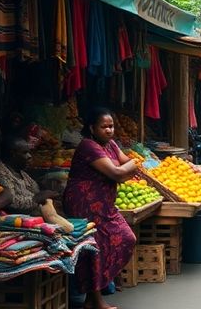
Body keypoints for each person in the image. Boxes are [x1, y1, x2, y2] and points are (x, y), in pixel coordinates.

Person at [64, 107, 138, 309]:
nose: (109, 130)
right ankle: (95, 300)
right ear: (92, 128)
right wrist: (131, 166)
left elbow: (125, 165)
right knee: (94, 247)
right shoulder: (88, 146)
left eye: (111, 126)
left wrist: (128, 166)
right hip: (85, 203)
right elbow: (118, 172)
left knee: (126, 238)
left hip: (104, 204)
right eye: (104, 127)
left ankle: (92, 299)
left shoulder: (111, 145)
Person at [0, 135, 61, 216]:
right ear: (13, 154)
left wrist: (47, 188)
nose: (29, 156)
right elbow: (10, 202)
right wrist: (37, 198)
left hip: (32, 212)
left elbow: (35, 190)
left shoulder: (19, 171)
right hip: (12, 217)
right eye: (25, 153)